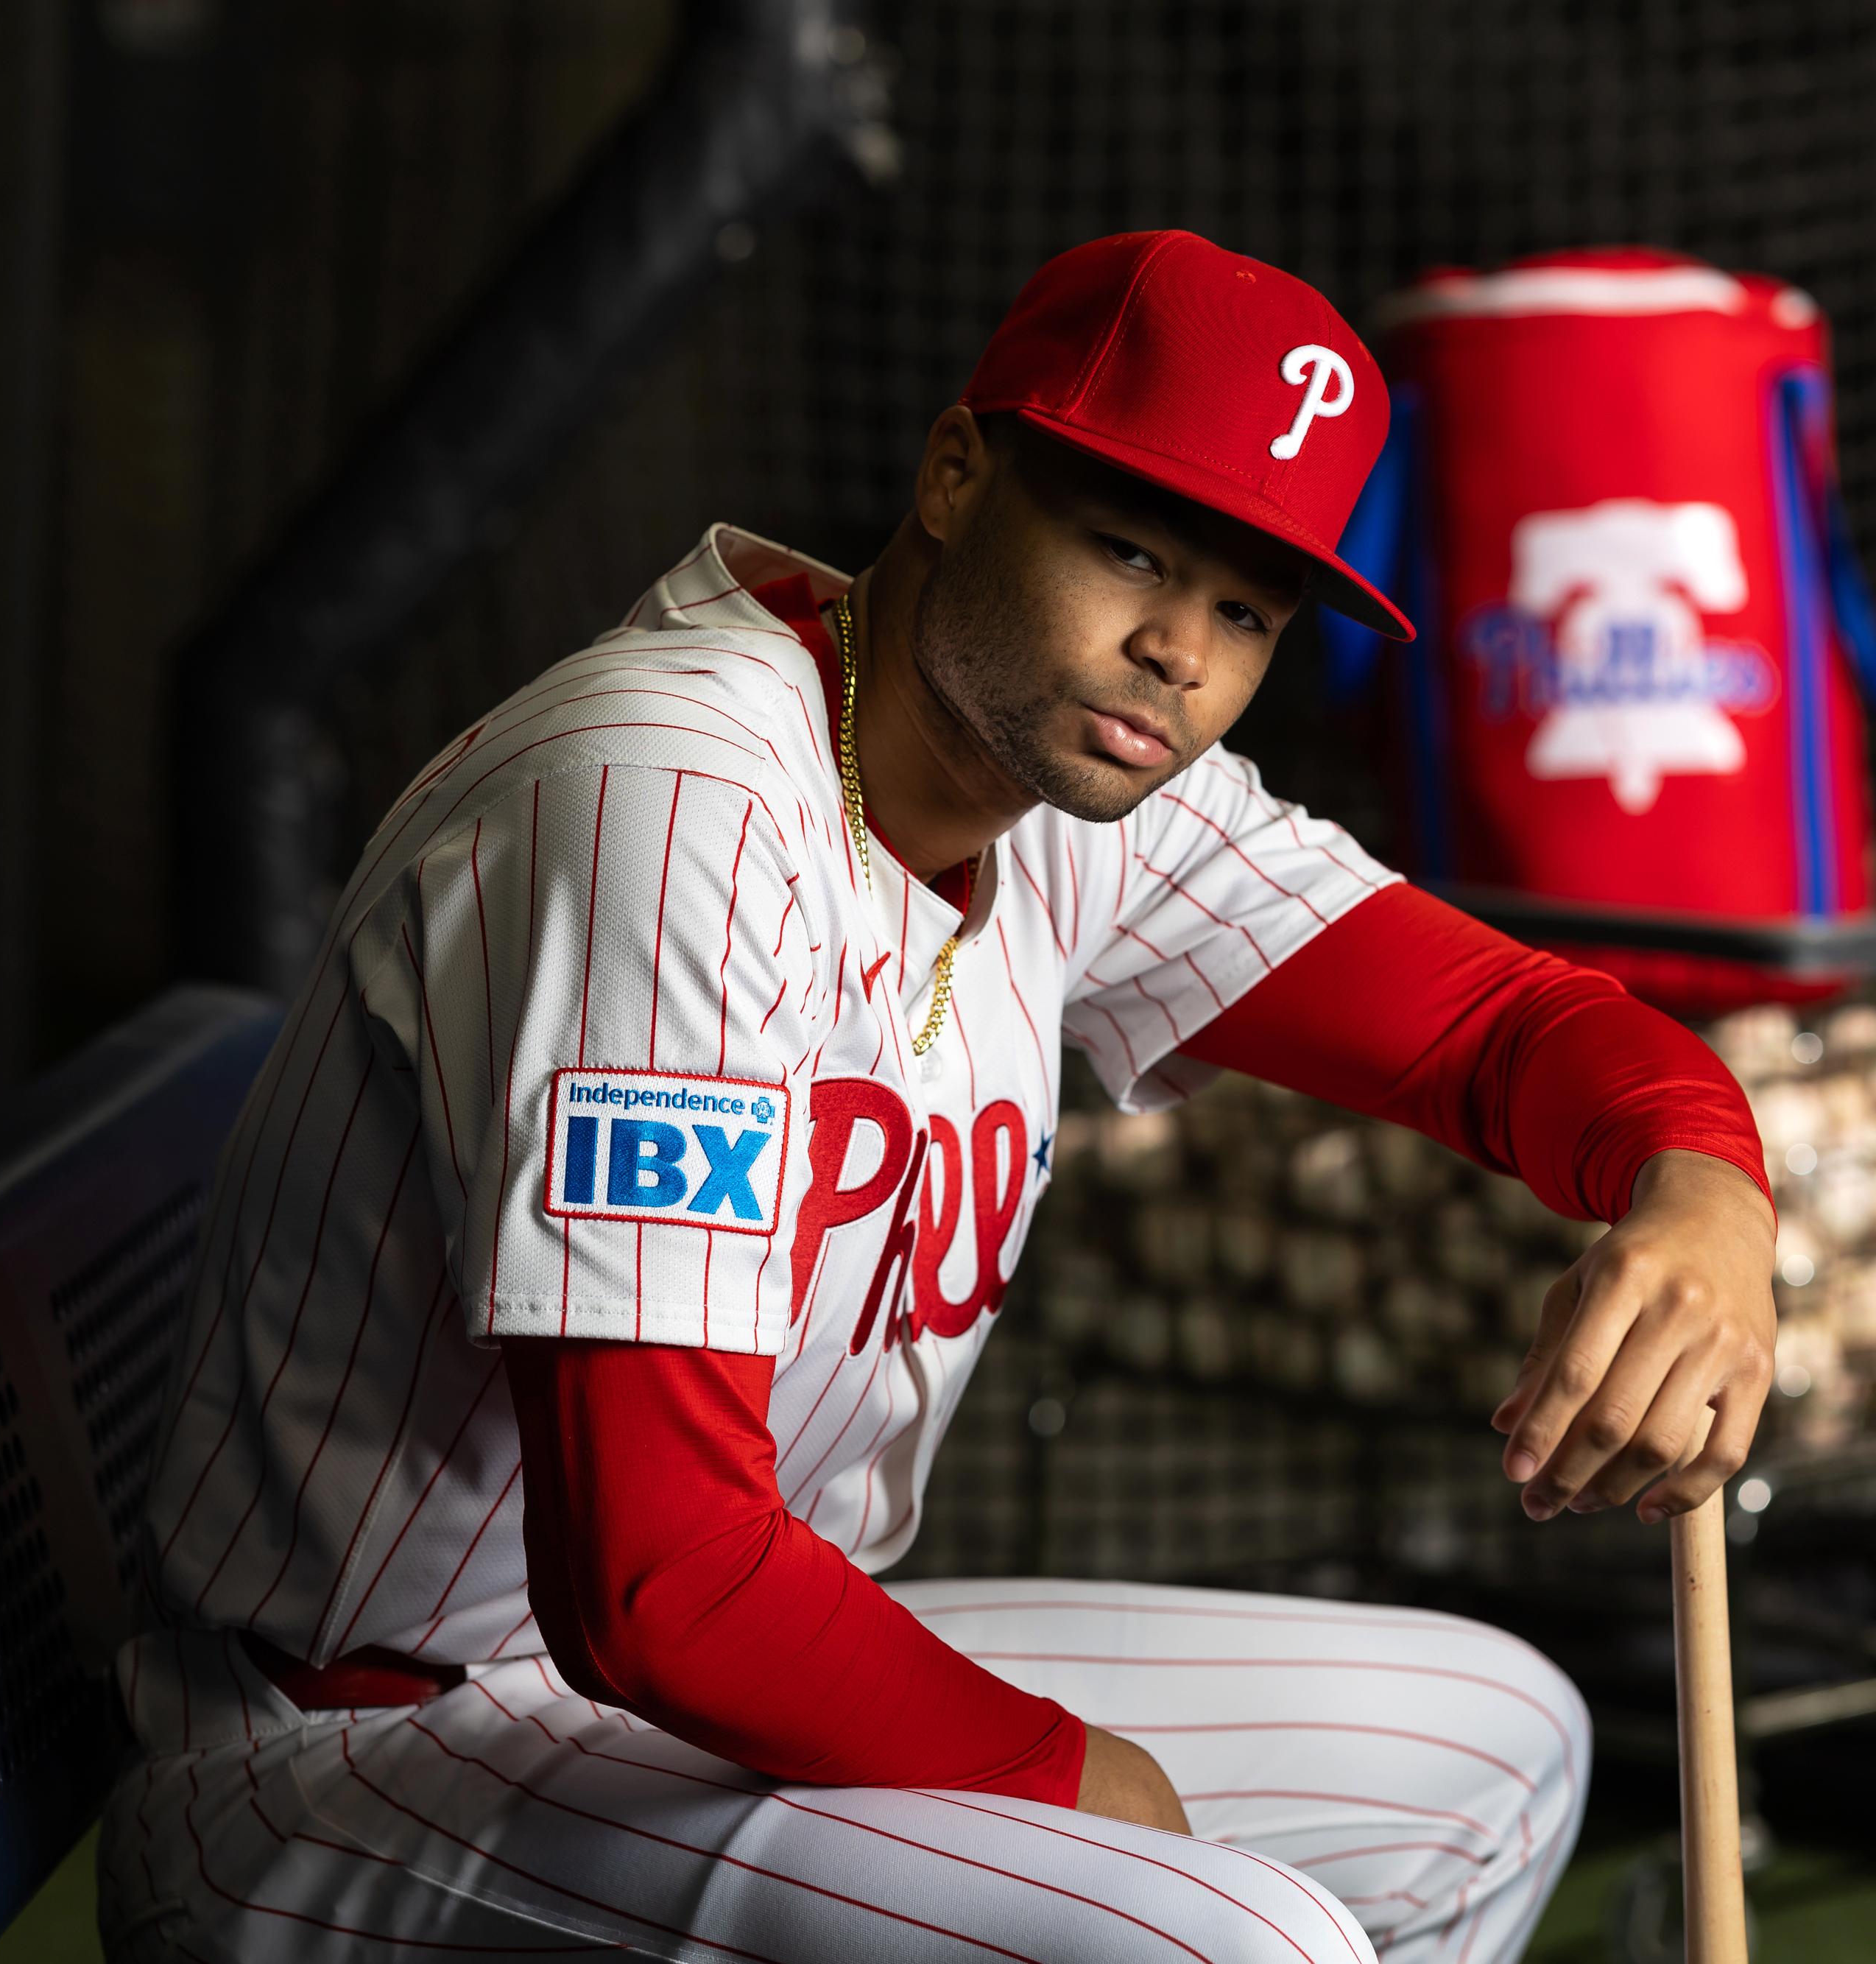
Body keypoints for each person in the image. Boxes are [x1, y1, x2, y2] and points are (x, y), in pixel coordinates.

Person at [105, 229, 1778, 1964]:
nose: (1174, 654)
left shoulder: (1068, 788)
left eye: (1244, 609)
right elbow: (658, 1583)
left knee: (1485, 1749)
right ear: (959, 471)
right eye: (1128, 546)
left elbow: (1507, 1026)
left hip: (676, 1702)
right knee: (1233, 1944)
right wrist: (1062, 1775)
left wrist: (1699, 1184)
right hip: (361, 1753)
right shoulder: (668, 806)